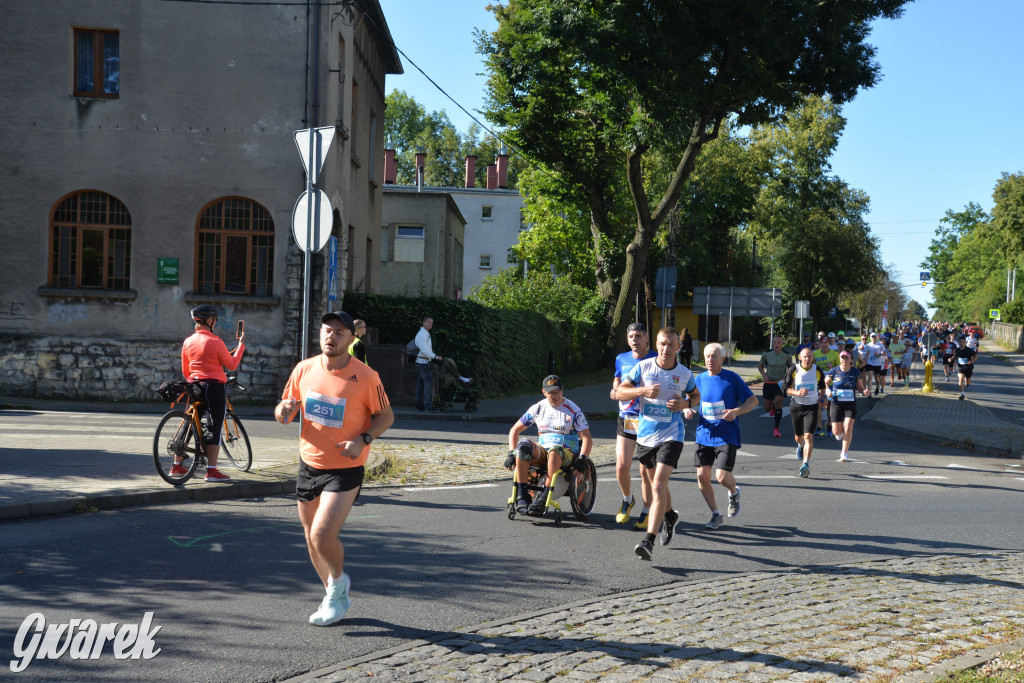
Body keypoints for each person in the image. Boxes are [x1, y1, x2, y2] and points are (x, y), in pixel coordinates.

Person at [275, 310, 394, 626]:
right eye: (327, 330)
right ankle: (332, 594)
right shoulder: (305, 369)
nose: (331, 336)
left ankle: (339, 583)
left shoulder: (367, 377)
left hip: (345, 467)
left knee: (323, 533)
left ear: (351, 339)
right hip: (308, 462)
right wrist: (283, 410)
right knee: (311, 537)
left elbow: (386, 416)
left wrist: (364, 437)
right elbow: (284, 410)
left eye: (339, 332)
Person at [618, 327, 698, 561]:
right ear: (657, 343)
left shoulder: (684, 373)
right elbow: (620, 391)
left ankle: (648, 541)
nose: (666, 349)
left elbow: (695, 397)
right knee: (655, 483)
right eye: (663, 344)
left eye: (671, 345)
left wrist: (684, 405)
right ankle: (670, 515)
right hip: (645, 437)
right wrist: (643, 390)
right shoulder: (643, 367)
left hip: (672, 435)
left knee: (658, 484)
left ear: (677, 347)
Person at [685, 342, 758, 531]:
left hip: (727, 435)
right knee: (702, 476)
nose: (710, 360)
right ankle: (716, 514)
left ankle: (733, 492)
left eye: (714, 356)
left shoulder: (732, 379)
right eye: (707, 356)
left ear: (722, 359)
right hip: (704, 433)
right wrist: (688, 410)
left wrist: (736, 411)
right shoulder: (698, 379)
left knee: (722, 477)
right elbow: (691, 400)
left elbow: (753, 400)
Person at [507, 375, 593, 516]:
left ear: (562, 390)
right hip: (543, 450)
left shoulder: (573, 410)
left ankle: (543, 497)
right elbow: (514, 430)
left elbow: (587, 438)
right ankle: (522, 496)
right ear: (544, 392)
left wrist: (583, 459)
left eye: (558, 391)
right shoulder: (538, 408)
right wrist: (511, 453)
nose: (555, 395)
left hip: (566, 452)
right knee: (522, 446)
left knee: (555, 451)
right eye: (551, 392)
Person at [179, 304, 246, 482]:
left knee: (190, 423)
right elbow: (231, 365)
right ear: (209, 321)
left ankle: (176, 465)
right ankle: (212, 471)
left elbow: (186, 372)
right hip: (214, 387)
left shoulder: (188, 341)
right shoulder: (216, 342)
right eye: (214, 320)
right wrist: (240, 346)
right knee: (214, 426)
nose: (215, 323)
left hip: (194, 386)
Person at [610, 322, 657, 527]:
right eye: (631, 337)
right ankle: (628, 500)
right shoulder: (622, 358)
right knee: (621, 466)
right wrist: (615, 390)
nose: (634, 340)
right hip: (627, 417)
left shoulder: (656, 358)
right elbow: (617, 380)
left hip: (650, 419)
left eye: (638, 336)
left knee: (645, 470)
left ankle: (647, 511)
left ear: (647, 338)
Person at [783, 348, 826, 478]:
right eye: (805, 357)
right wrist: (797, 392)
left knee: (808, 437)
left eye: (810, 356)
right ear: (800, 358)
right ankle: (800, 446)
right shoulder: (793, 370)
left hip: (811, 407)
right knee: (799, 437)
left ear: (813, 358)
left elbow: (822, 388)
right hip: (796, 406)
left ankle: (805, 464)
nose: (807, 359)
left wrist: (822, 399)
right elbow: (784, 389)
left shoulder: (817, 370)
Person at [825, 350, 870, 462]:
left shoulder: (855, 372)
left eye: (846, 358)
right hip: (836, 403)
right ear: (840, 359)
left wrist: (864, 391)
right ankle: (838, 433)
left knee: (848, 426)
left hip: (850, 403)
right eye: (842, 358)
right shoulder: (834, 371)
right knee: (836, 432)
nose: (844, 360)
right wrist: (827, 391)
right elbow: (825, 383)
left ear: (850, 360)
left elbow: (860, 387)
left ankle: (844, 452)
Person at [757, 336, 793, 438]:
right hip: (769, 383)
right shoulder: (766, 354)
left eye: (779, 343)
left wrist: (789, 379)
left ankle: (776, 429)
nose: (777, 345)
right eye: (775, 343)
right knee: (767, 408)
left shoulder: (787, 355)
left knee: (778, 401)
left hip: (781, 383)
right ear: (772, 344)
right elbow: (760, 366)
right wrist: (764, 375)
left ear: (782, 344)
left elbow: (791, 368)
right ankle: (772, 407)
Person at [413, 316, 442, 411]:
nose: (431, 324)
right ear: (423, 323)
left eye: (432, 323)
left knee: (421, 384)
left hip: (422, 361)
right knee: (428, 383)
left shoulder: (425, 333)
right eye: (429, 322)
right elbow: (424, 349)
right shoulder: (422, 334)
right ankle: (428, 406)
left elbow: (425, 349)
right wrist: (435, 356)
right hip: (422, 362)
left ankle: (418, 404)